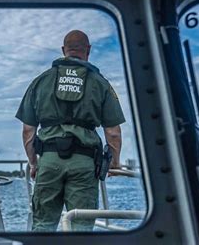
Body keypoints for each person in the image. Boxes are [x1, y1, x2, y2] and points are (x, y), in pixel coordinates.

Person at [16, 30, 125, 232]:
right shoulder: (100, 83)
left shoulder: (40, 81)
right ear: (88, 50)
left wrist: (34, 163)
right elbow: (113, 133)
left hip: (48, 161)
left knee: (42, 226)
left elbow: (28, 132)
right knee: (81, 228)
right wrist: (114, 163)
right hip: (84, 164)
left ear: (63, 50)